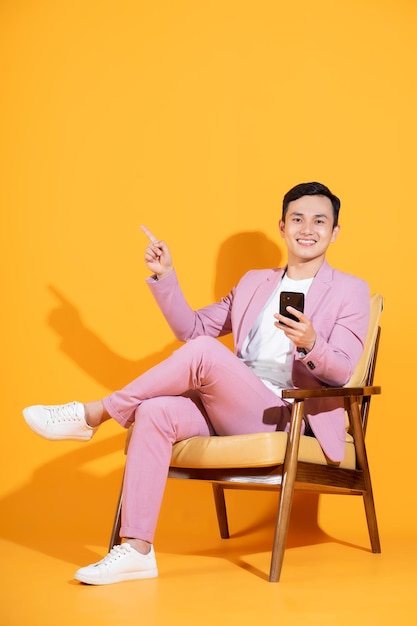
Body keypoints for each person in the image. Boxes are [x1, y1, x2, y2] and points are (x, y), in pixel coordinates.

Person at [23, 181, 370, 585]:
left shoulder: (350, 290)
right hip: (230, 404)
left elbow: (342, 370)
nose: (307, 228)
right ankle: (136, 550)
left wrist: (312, 343)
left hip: (286, 413)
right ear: (282, 225)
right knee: (154, 411)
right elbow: (193, 330)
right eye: (297, 219)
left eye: (319, 221)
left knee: (206, 353)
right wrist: (166, 277)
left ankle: (95, 413)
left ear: (334, 231)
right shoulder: (255, 282)